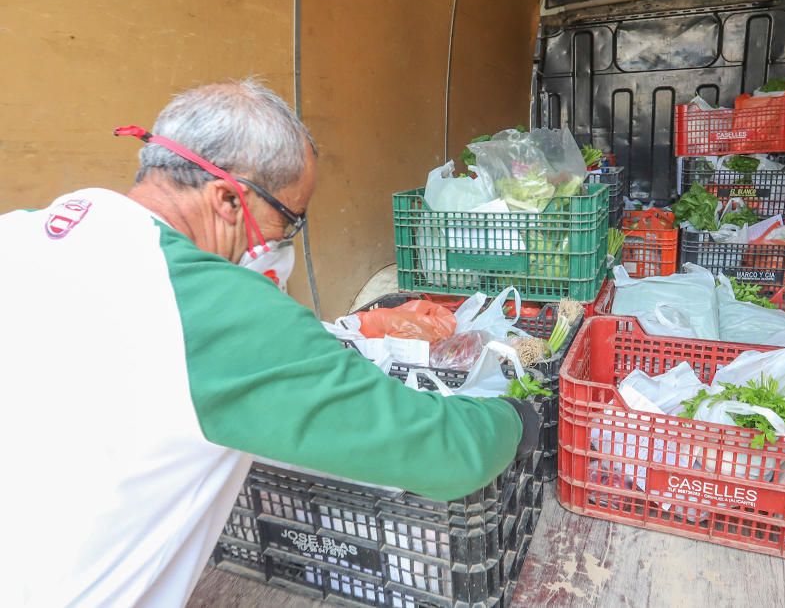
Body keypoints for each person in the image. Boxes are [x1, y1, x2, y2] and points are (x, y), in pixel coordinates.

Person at [0, 80, 539, 607]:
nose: (283, 245)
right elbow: (445, 455)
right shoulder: (214, 308)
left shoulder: (20, 234)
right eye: (290, 222)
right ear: (228, 200)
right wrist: (518, 417)